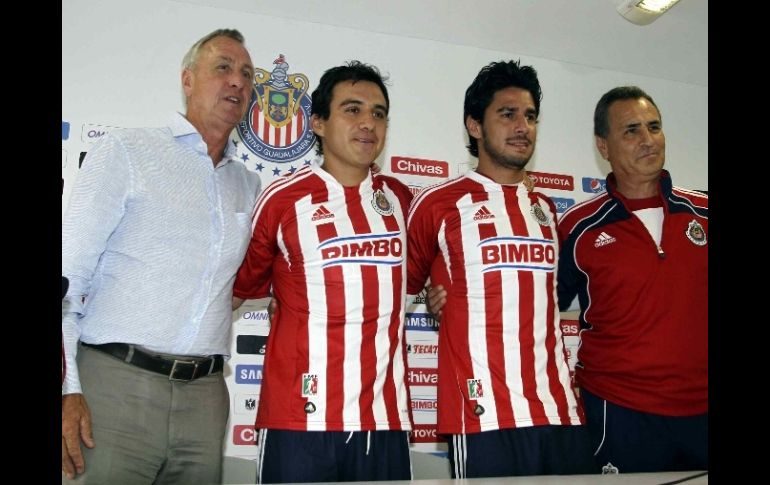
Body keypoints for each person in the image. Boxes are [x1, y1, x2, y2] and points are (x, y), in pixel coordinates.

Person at [61, 28, 261, 483]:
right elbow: (67, 281)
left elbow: (242, 283)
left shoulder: (249, 185)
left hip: (206, 399)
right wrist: (67, 388)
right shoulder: (127, 151)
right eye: (223, 68)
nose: (237, 81)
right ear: (187, 80)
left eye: (247, 75)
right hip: (116, 385)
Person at [407, 60, 593, 478]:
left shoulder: (546, 210)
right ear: (475, 126)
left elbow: (554, 300)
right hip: (483, 414)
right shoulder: (438, 204)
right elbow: (401, 286)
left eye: (530, 116)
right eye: (507, 114)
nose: (522, 126)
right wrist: (433, 301)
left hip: (559, 409)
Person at [232, 61, 413, 483]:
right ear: (317, 123)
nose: (368, 123)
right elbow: (241, 287)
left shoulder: (403, 201)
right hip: (299, 418)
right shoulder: (282, 199)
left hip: (383, 420)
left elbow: (435, 275)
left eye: (379, 113)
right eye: (352, 109)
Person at [556, 86, 707, 473]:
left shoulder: (704, 212)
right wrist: (454, 298)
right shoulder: (578, 227)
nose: (647, 139)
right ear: (603, 146)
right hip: (620, 411)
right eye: (631, 130)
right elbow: (532, 304)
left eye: (654, 127)